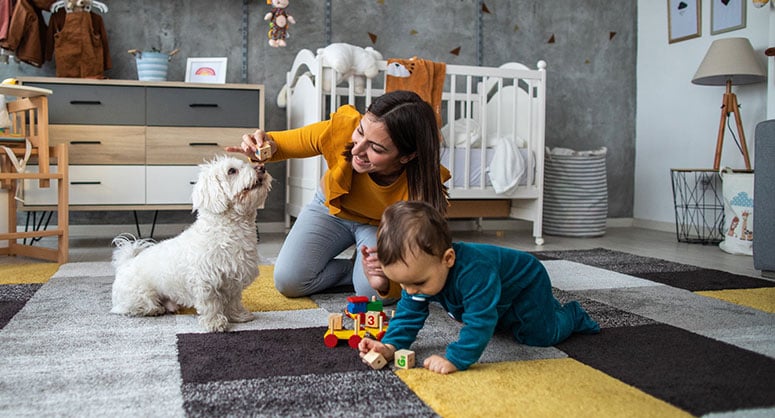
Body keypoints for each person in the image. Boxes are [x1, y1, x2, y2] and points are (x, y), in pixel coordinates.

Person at [225, 90, 449, 300]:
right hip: (331, 210)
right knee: (288, 281)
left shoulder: (422, 187)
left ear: (407, 157)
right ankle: (353, 271)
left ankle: (362, 277)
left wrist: (385, 282)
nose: (357, 150)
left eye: (376, 149)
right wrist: (262, 146)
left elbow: (422, 263)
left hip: (384, 226)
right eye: (360, 132)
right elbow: (281, 144)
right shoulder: (342, 129)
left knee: (374, 292)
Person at [358, 201, 600, 374]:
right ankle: (535, 311)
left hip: (527, 282)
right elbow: (409, 315)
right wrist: (390, 346)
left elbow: (480, 321)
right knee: (499, 321)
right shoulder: (420, 276)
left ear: (448, 258)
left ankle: (572, 315)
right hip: (498, 290)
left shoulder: (475, 272)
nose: (410, 291)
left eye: (418, 283)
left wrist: (456, 359)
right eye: (403, 284)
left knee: (538, 336)